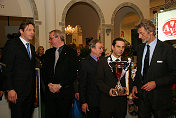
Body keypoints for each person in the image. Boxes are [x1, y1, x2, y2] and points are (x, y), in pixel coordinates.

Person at [132, 19, 176, 118]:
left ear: (151, 32)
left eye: (141, 34)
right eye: (138, 34)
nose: (139, 37)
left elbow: (174, 74)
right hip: (142, 97)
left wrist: (156, 83)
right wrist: (135, 85)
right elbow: (140, 71)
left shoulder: (167, 49)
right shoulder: (140, 48)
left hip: (160, 98)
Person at [2, 20, 36, 118]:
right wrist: (10, 89)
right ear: (21, 31)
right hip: (16, 92)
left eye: (33, 30)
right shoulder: (12, 44)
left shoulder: (32, 48)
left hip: (30, 93)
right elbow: (7, 69)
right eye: (29, 30)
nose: (32, 32)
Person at [42, 29, 78, 118]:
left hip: (64, 93)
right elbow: (44, 72)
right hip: (50, 93)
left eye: (51, 38)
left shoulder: (71, 52)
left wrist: (59, 85)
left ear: (58, 37)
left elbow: (73, 73)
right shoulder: (48, 53)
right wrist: (49, 85)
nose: (49, 41)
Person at [96, 38, 129, 118]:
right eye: (118, 46)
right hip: (107, 102)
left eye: (123, 47)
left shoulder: (127, 61)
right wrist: (109, 90)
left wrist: (128, 89)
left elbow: (129, 79)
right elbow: (98, 81)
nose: (121, 49)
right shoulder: (103, 61)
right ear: (112, 47)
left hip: (121, 102)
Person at [79, 39, 103, 118]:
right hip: (91, 102)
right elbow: (82, 84)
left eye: (102, 48)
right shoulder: (84, 63)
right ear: (92, 48)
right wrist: (83, 102)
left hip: (104, 101)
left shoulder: (103, 61)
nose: (102, 50)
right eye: (100, 48)